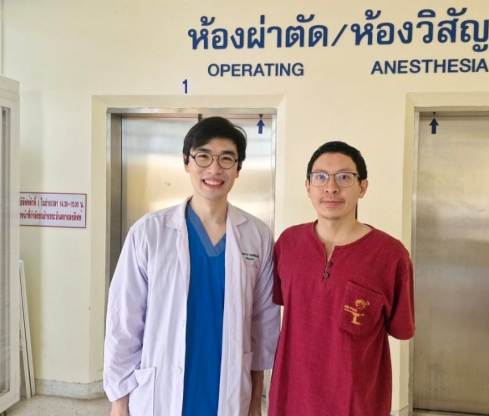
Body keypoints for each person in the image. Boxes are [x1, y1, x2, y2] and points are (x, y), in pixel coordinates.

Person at [104, 116, 280, 416]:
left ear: (238, 168)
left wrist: (254, 400)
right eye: (203, 156)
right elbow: (124, 320)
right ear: (187, 162)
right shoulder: (149, 232)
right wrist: (119, 402)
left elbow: (262, 324)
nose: (214, 169)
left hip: (227, 389)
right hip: (162, 390)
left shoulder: (257, 235)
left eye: (227, 158)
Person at [268, 141, 415, 416]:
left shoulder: (390, 255)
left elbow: (401, 328)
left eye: (344, 177)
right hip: (291, 399)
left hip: (357, 403)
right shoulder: (288, 244)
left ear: (363, 187)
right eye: (320, 177)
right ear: (308, 186)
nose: (331, 187)